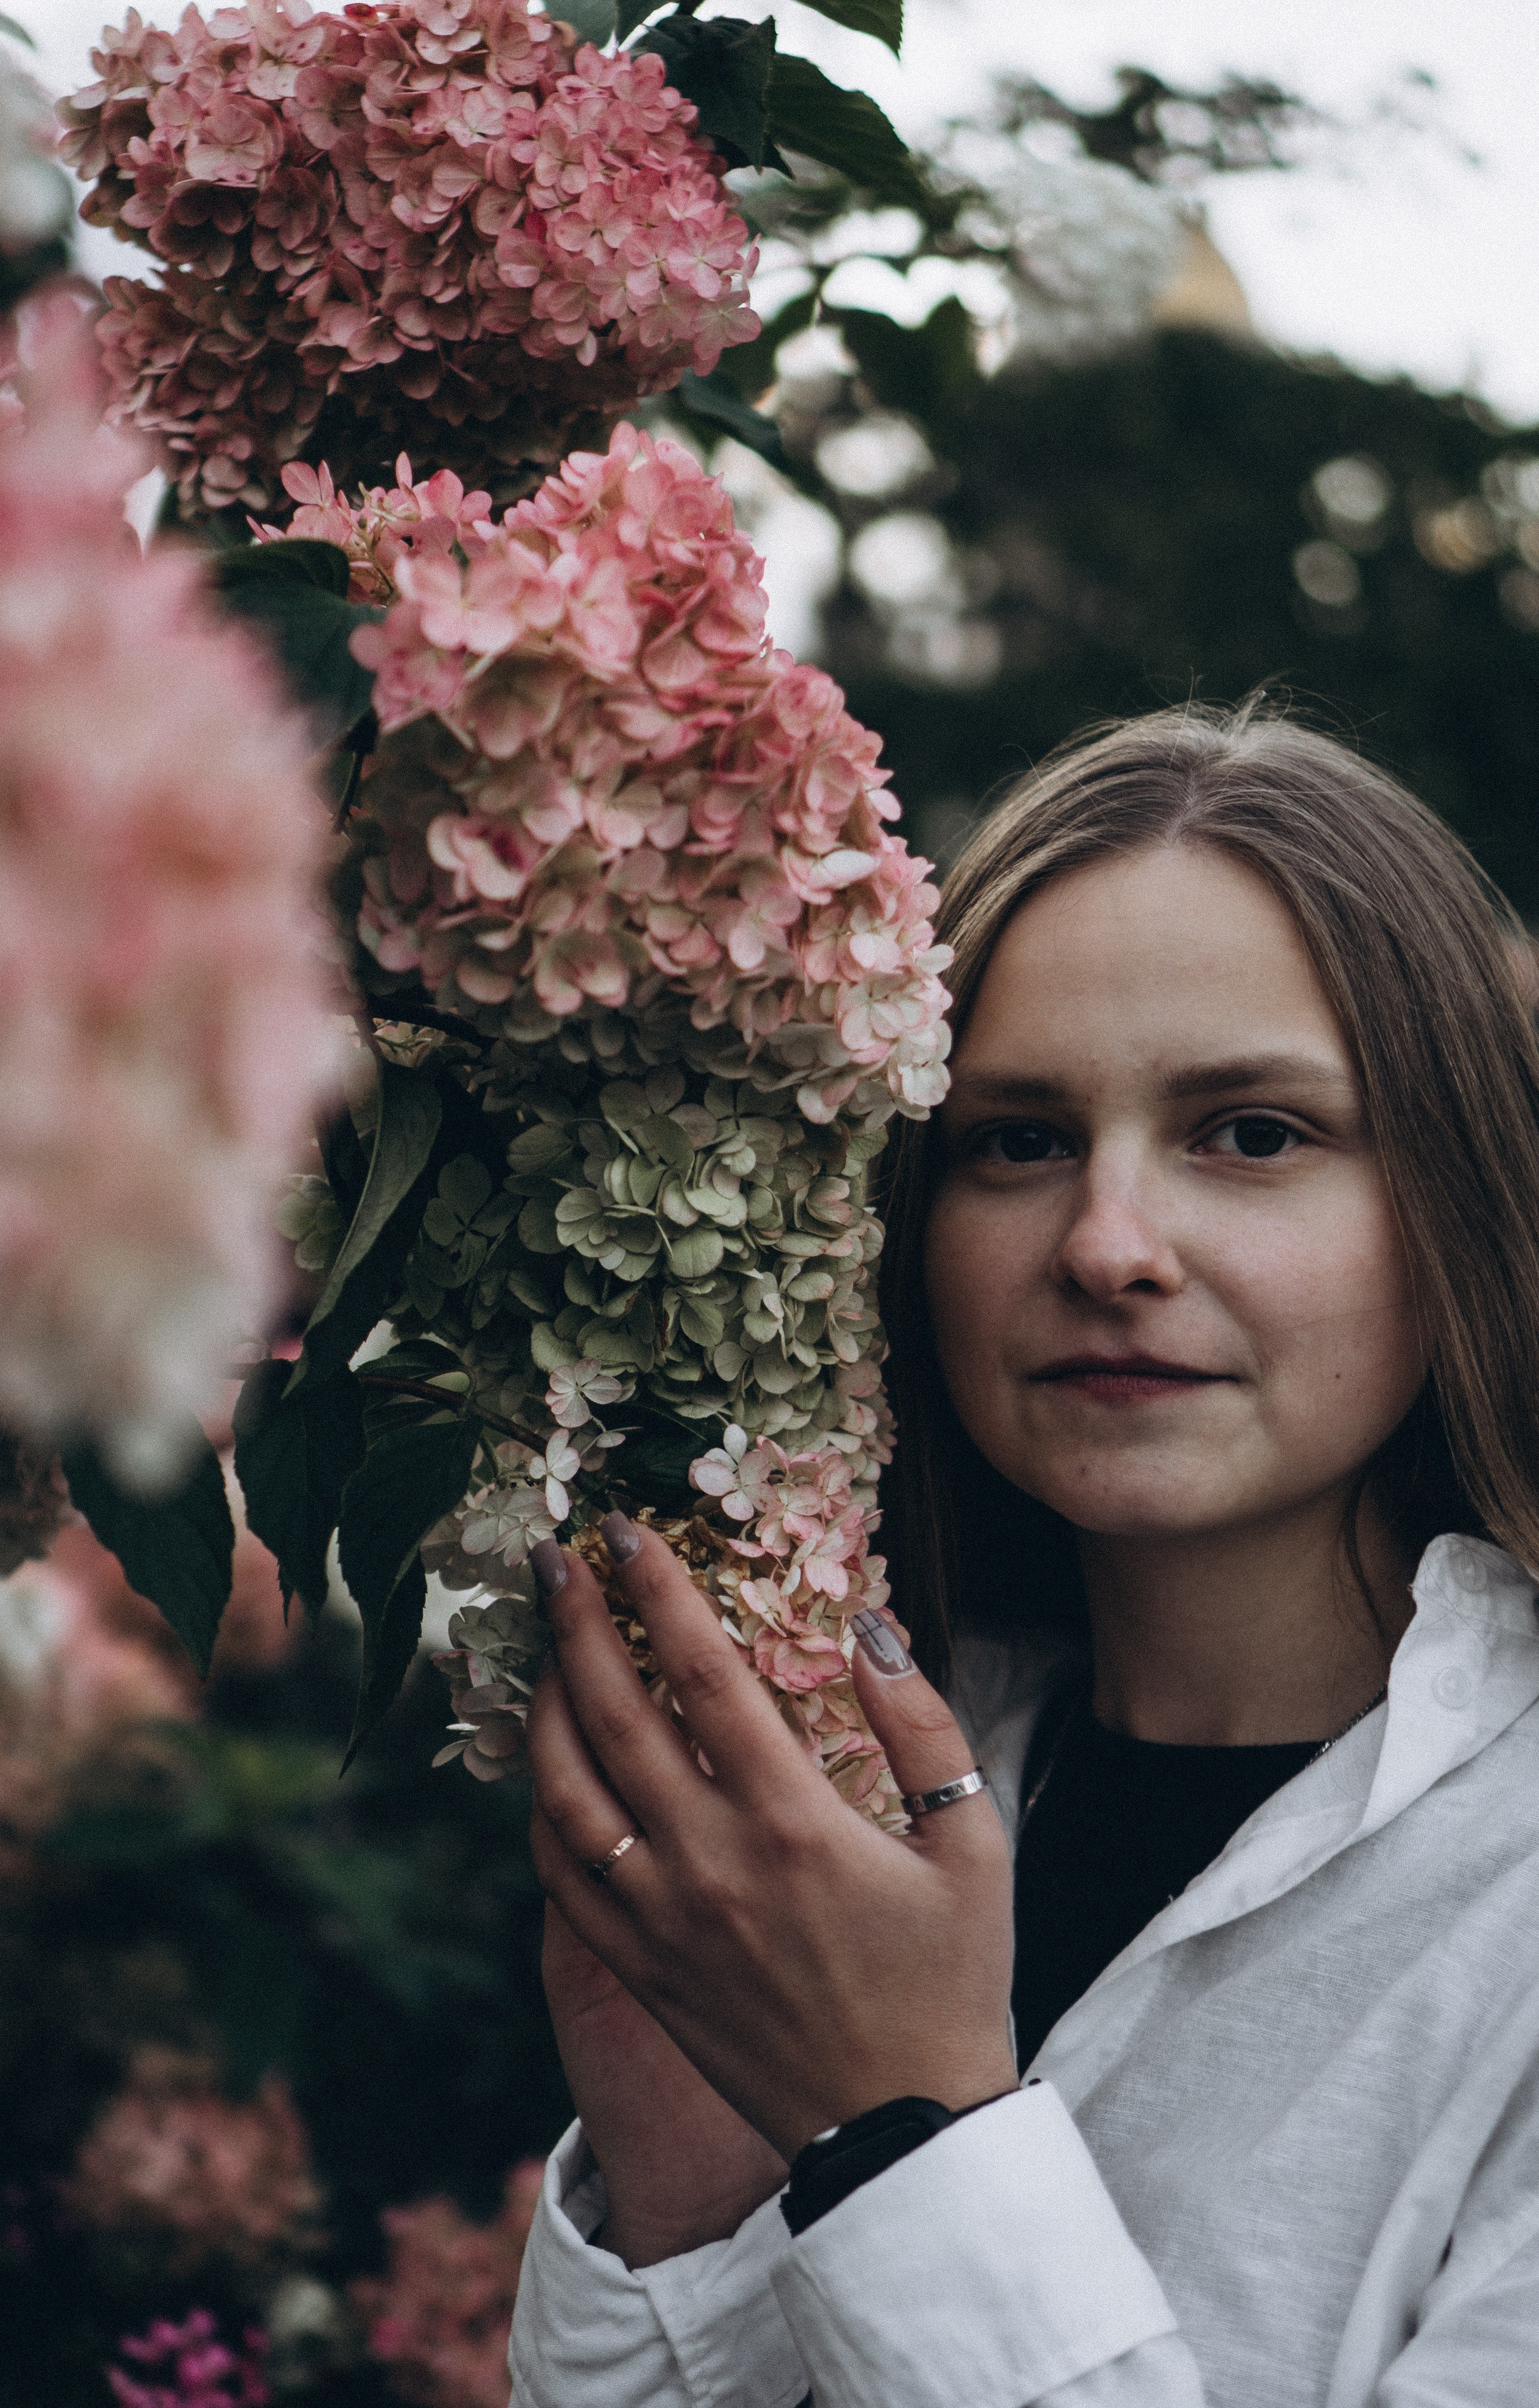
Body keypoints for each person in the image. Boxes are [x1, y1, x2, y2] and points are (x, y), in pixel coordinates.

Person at [507, 700, 1539, 2408]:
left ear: (1458, 1205)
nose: (1109, 1242)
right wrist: (695, 2207)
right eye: (1017, 1139)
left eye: (1253, 1133)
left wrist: (907, 2123)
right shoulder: (838, 1818)